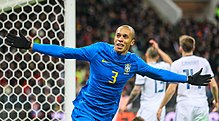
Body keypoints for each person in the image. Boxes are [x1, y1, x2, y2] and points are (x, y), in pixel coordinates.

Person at [5, 25, 211, 121]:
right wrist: (33, 45)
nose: (120, 39)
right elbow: (66, 52)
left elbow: (158, 74)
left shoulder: (133, 62)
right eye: (118, 36)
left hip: (107, 114)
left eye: (125, 37)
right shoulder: (98, 50)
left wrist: (187, 78)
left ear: (132, 42)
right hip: (86, 109)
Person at [156, 35, 218, 121]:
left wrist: (161, 106)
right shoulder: (203, 62)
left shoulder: (176, 64)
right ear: (194, 47)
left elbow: (172, 89)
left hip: (184, 106)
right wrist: (216, 101)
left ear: (180, 48)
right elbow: (214, 85)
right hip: (201, 105)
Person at [120, 39, 172, 121]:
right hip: (160, 109)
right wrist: (158, 49)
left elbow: (136, 91)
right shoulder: (164, 67)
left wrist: (126, 104)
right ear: (158, 56)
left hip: (147, 110)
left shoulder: (143, 69)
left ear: (146, 55)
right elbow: (170, 63)